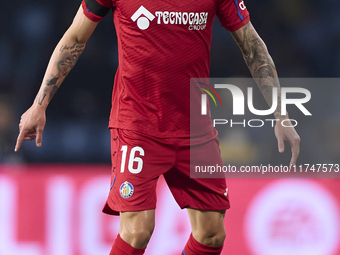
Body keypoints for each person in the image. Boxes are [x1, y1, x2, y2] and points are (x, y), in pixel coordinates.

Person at [15, 0, 301, 254]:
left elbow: (252, 46)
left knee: (211, 235)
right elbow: (76, 37)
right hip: (138, 126)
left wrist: (281, 112)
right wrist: (40, 104)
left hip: (195, 128)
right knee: (137, 231)